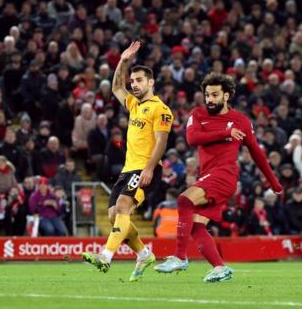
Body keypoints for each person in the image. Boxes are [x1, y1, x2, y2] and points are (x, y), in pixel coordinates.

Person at [154, 72, 283, 282]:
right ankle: (220, 268)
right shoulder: (197, 114)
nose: (210, 99)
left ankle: (179, 257)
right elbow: (192, 138)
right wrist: (225, 132)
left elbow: (257, 154)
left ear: (227, 96)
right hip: (208, 175)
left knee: (184, 200)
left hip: (225, 175)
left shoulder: (241, 121)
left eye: (215, 95)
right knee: (196, 226)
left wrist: (274, 183)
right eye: (207, 95)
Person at [82, 41, 172, 282]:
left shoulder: (160, 110)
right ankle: (143, 254)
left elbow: (161, 142)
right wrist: (122, 61)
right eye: (133, 81)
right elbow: (115, 88)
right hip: (127, 170)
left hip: (145, 169)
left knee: (122, 206)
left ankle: (105, 256)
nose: (134, 84)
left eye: (139, 80)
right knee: (114, 216)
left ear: (151, 82)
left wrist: (150, 168)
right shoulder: (133, 105)